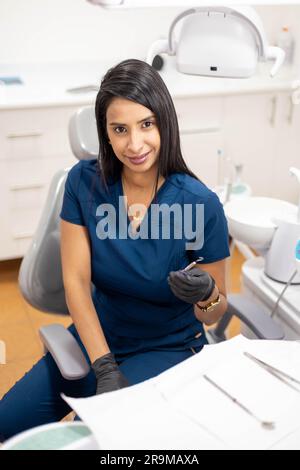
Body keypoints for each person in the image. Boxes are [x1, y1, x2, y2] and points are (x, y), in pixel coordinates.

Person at [0, 59, 230, 441]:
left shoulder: (200, 204)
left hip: (167, 347)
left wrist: (207, 294)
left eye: (146, 125)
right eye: (119, 129)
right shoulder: (84, 183)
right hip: (97, 334)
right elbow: (75, 281)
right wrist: (103, 365)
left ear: (165, 124)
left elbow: (214, 314)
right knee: (6, 423)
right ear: (105, 133)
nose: (134, 144)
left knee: (84, 440)